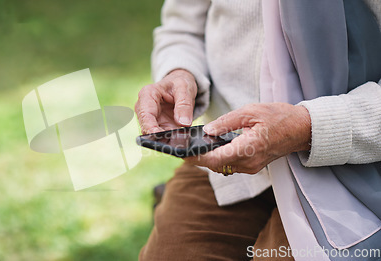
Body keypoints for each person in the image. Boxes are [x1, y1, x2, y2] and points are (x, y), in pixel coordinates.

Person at [135, 0, 381, 260]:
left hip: (351, 164)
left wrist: (307, 126)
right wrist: (180, 72)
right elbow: (182, 28)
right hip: (227, 160)